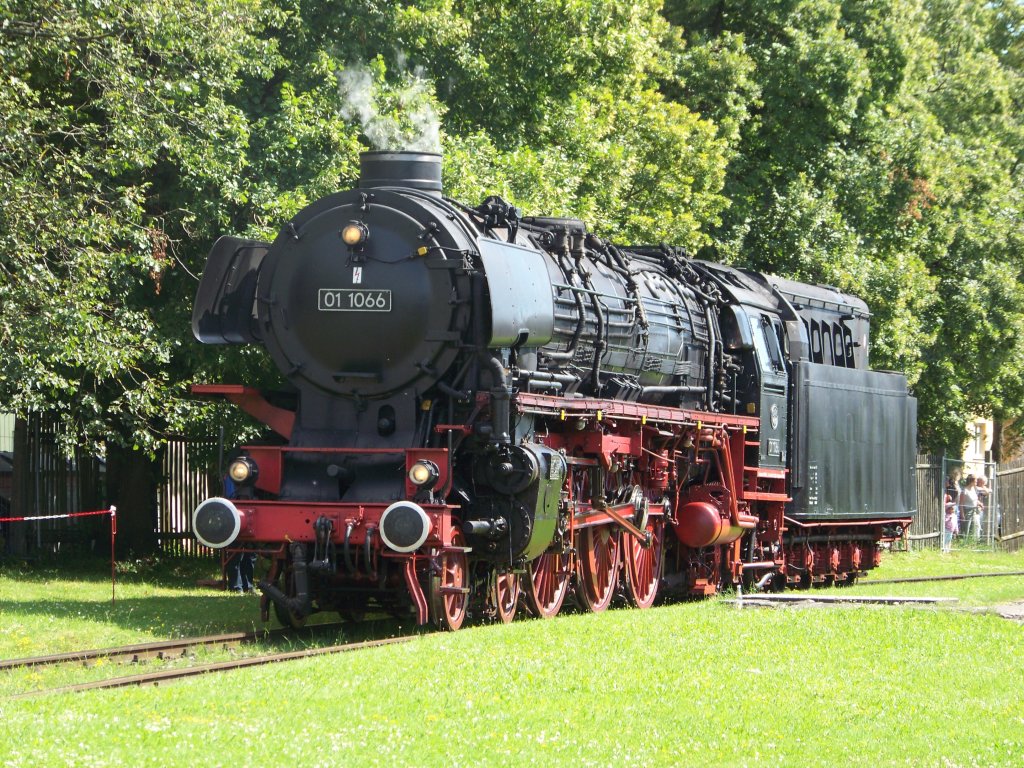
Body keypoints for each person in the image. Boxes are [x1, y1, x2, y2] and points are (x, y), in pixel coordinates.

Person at [958, 475, 983, 542]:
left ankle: (973, 542)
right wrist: (962, 514)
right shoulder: (964, 491)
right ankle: (964, 542)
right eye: (975, 481)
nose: (976, 482)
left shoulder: (974, 489)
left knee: (976, 526)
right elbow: (961, 503)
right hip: (967, 511)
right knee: (966, 528)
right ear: (971, 481)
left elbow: (974, 500)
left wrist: (979, 503)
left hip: (974, 510)